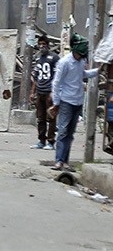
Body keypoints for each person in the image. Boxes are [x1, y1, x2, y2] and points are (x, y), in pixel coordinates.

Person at [49, 33, 100, 171]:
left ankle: (65, 161)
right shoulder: (64, 62)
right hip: (66, 101)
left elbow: (83, 75)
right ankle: (59, 160)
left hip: (78, 101)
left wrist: (98, 71)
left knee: (70, 133)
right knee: (63, 132)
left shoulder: (81, 62)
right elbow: (56, 83)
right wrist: (56, 102)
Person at [30, 35, 60, 150]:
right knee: (40, 118)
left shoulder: (54, 58)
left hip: (50, 92)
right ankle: (41, 140)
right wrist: (32, 92)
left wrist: (54, 91)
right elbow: (36, 78)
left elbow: (57, 76)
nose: (41, 46)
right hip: (40, 91)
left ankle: (51, 141)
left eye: (44, 44)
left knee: (51, 117)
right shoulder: (38, 59)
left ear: (48, 45)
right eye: (40, 44)